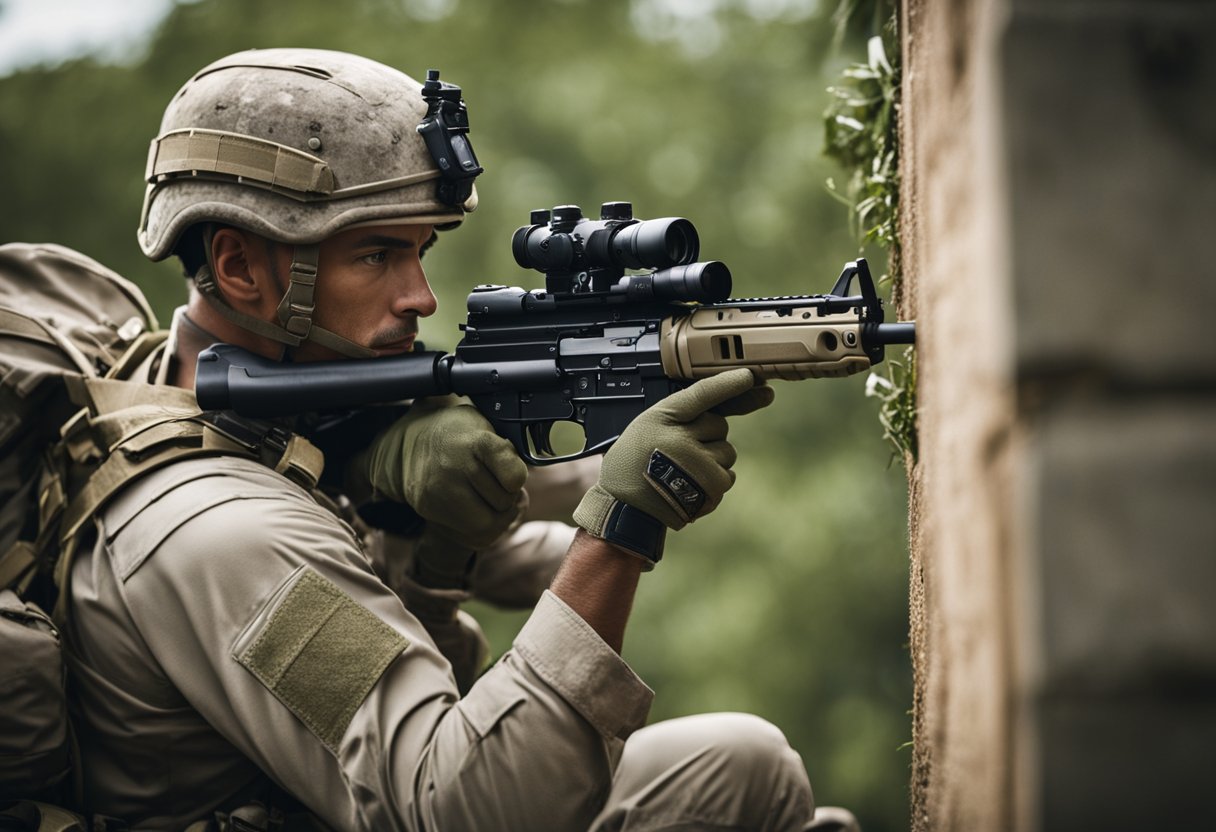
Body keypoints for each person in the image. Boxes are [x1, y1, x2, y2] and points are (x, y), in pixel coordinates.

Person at [62, 48, 859, 831]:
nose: (421, 295)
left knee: (738, 765)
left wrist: (429, 539)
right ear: (239, 268)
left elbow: (523, 504)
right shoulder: (225, 537)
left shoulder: (260, 419)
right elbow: (467, 811)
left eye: (420, 250)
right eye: (376, 254)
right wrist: (619, 528)